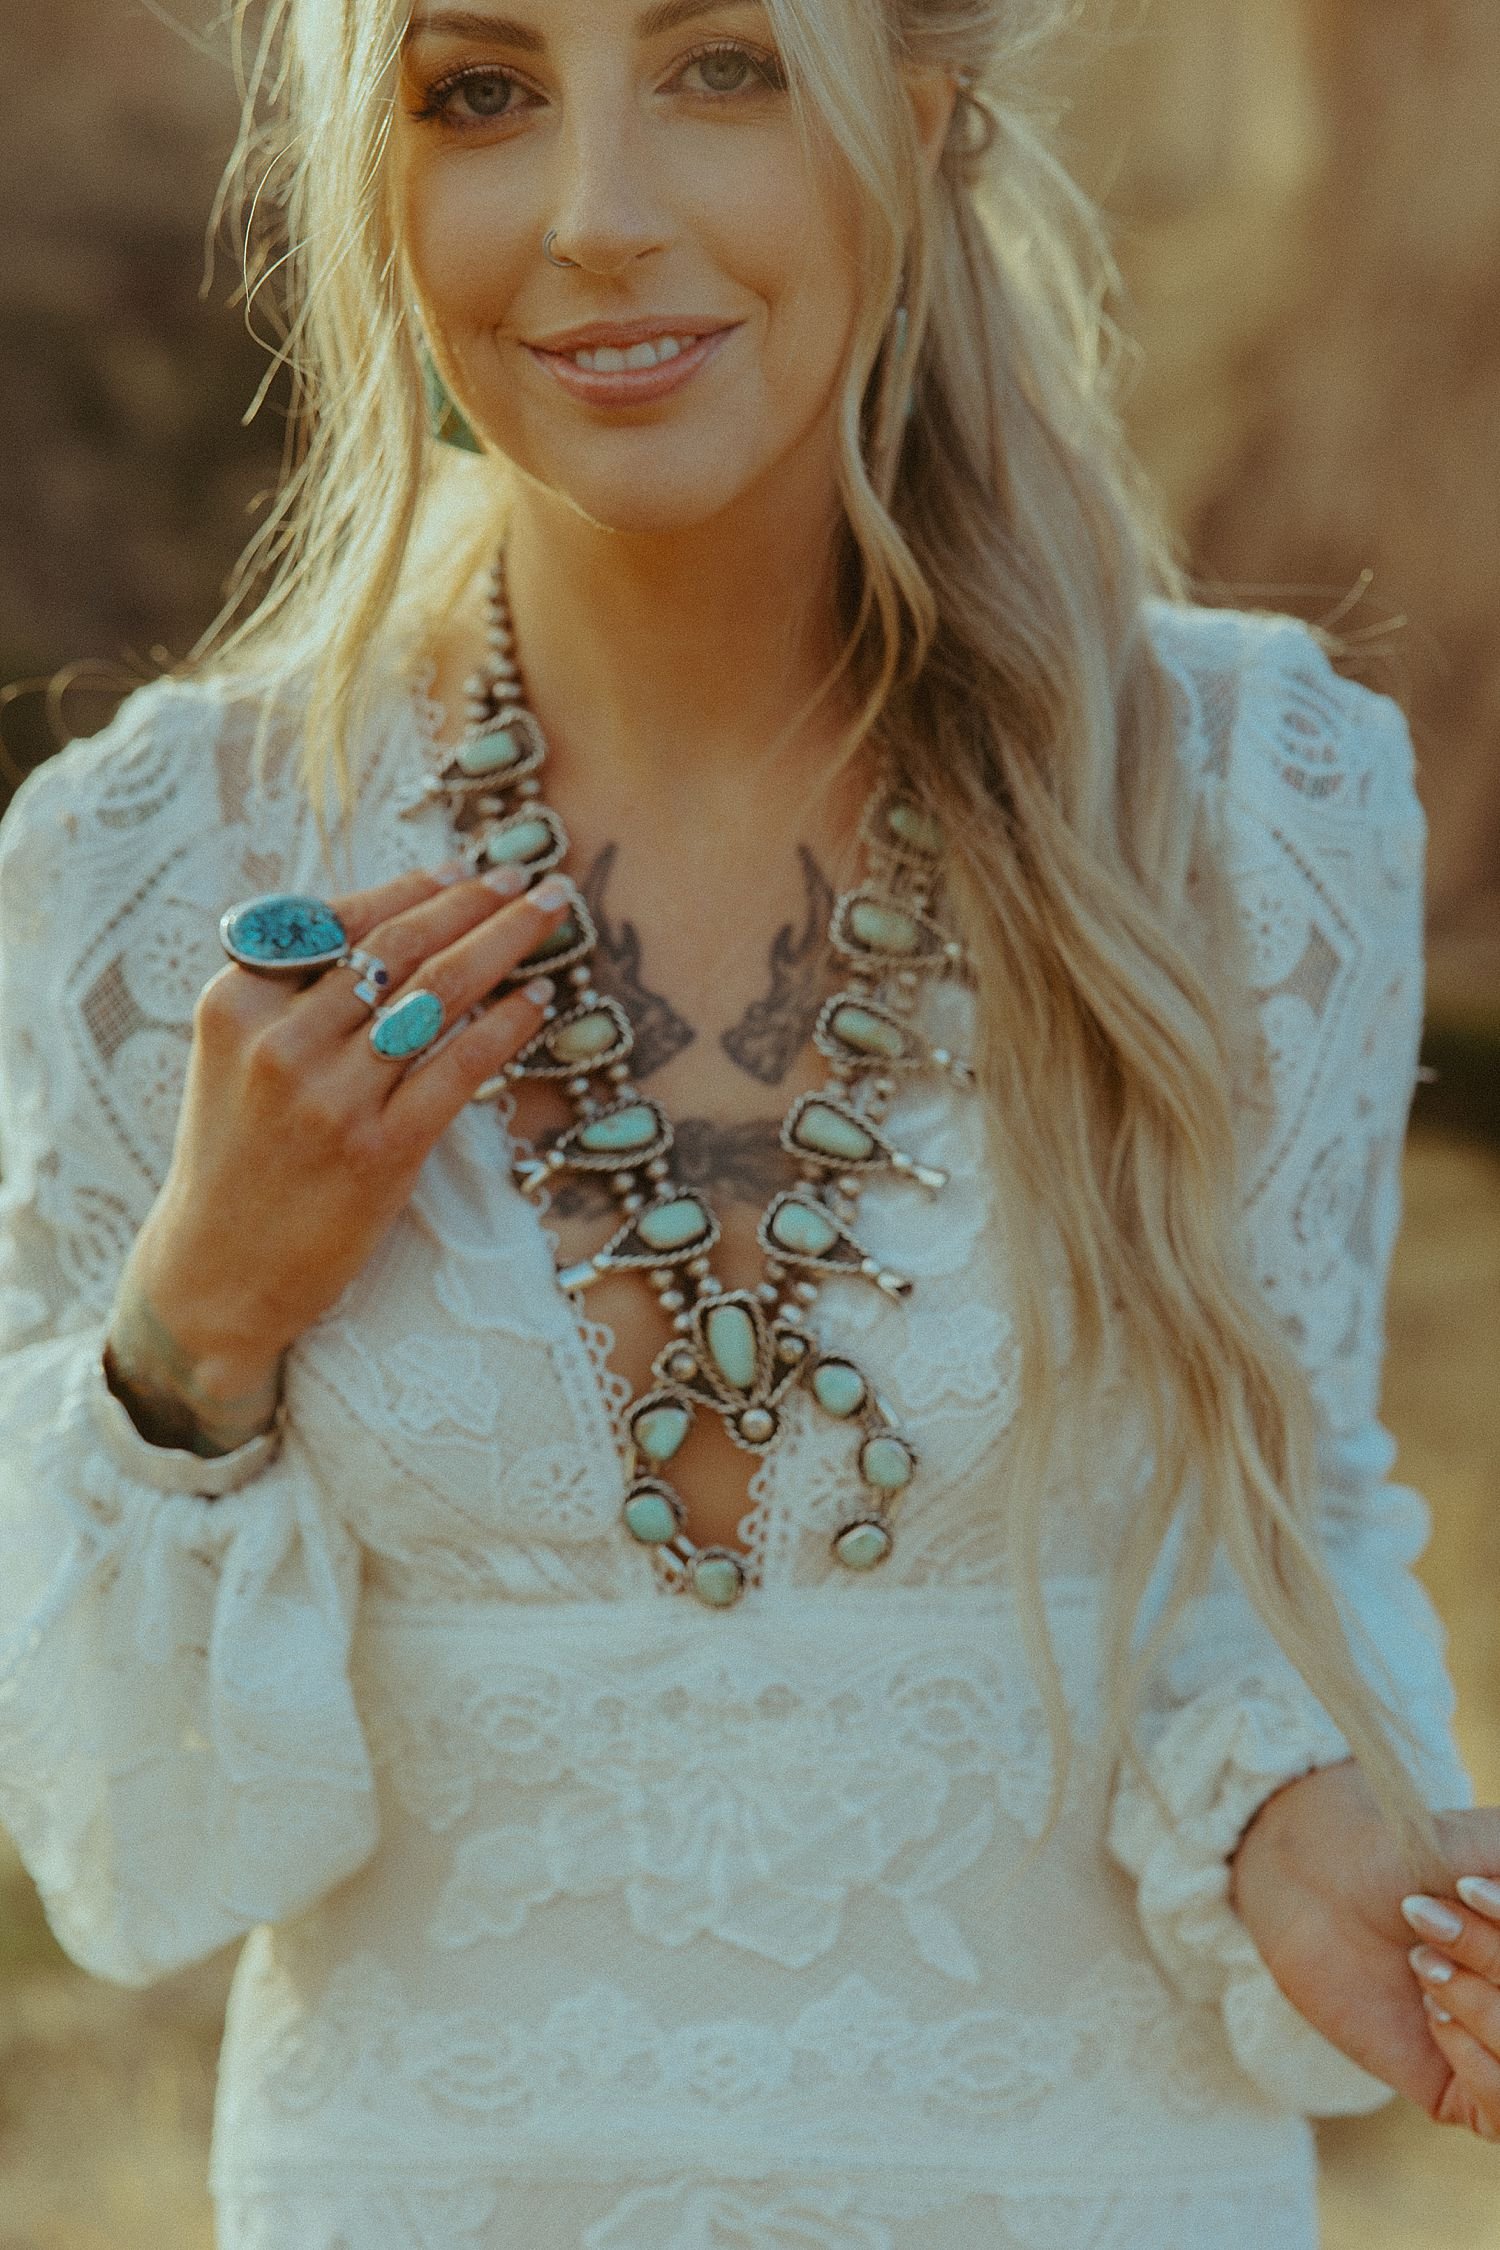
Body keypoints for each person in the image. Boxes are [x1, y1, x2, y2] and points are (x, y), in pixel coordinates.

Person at [2, 0, 1499, 2241]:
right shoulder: (156, 861)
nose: (597, 216)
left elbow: (1267, 1537)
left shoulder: (1243, 803)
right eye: (479, 93)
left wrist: (1325, 1827)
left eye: (721, 68)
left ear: (912, 123)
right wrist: (196, 1328)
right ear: (371, 189)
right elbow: (131, 1860)